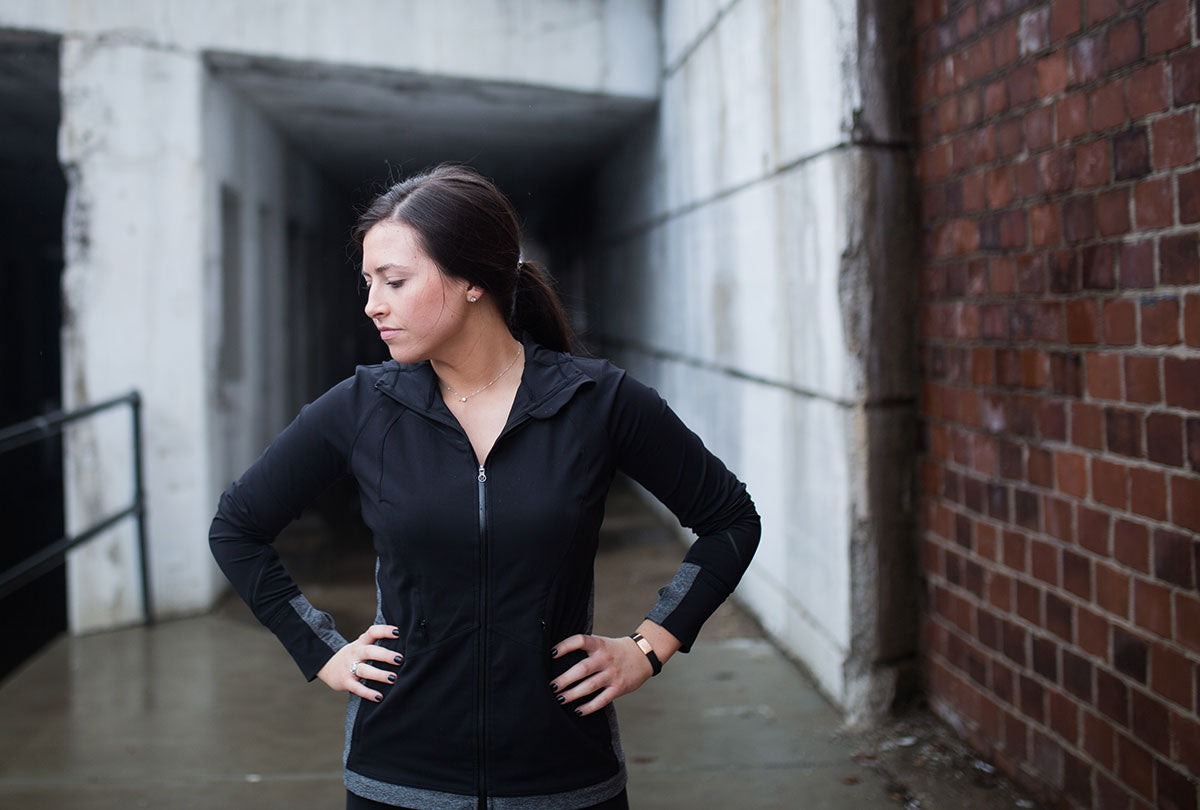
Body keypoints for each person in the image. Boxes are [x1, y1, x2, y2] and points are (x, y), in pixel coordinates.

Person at [209, 164, 761, 810]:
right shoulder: (362, 407)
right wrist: (322, 650)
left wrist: (647, 646)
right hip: (399, 779)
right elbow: (237, 528)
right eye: (368, 282)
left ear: (472, 279)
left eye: (394, 281)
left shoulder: (597, 401)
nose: (372, 305)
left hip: (563, 780)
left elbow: (730, 519)